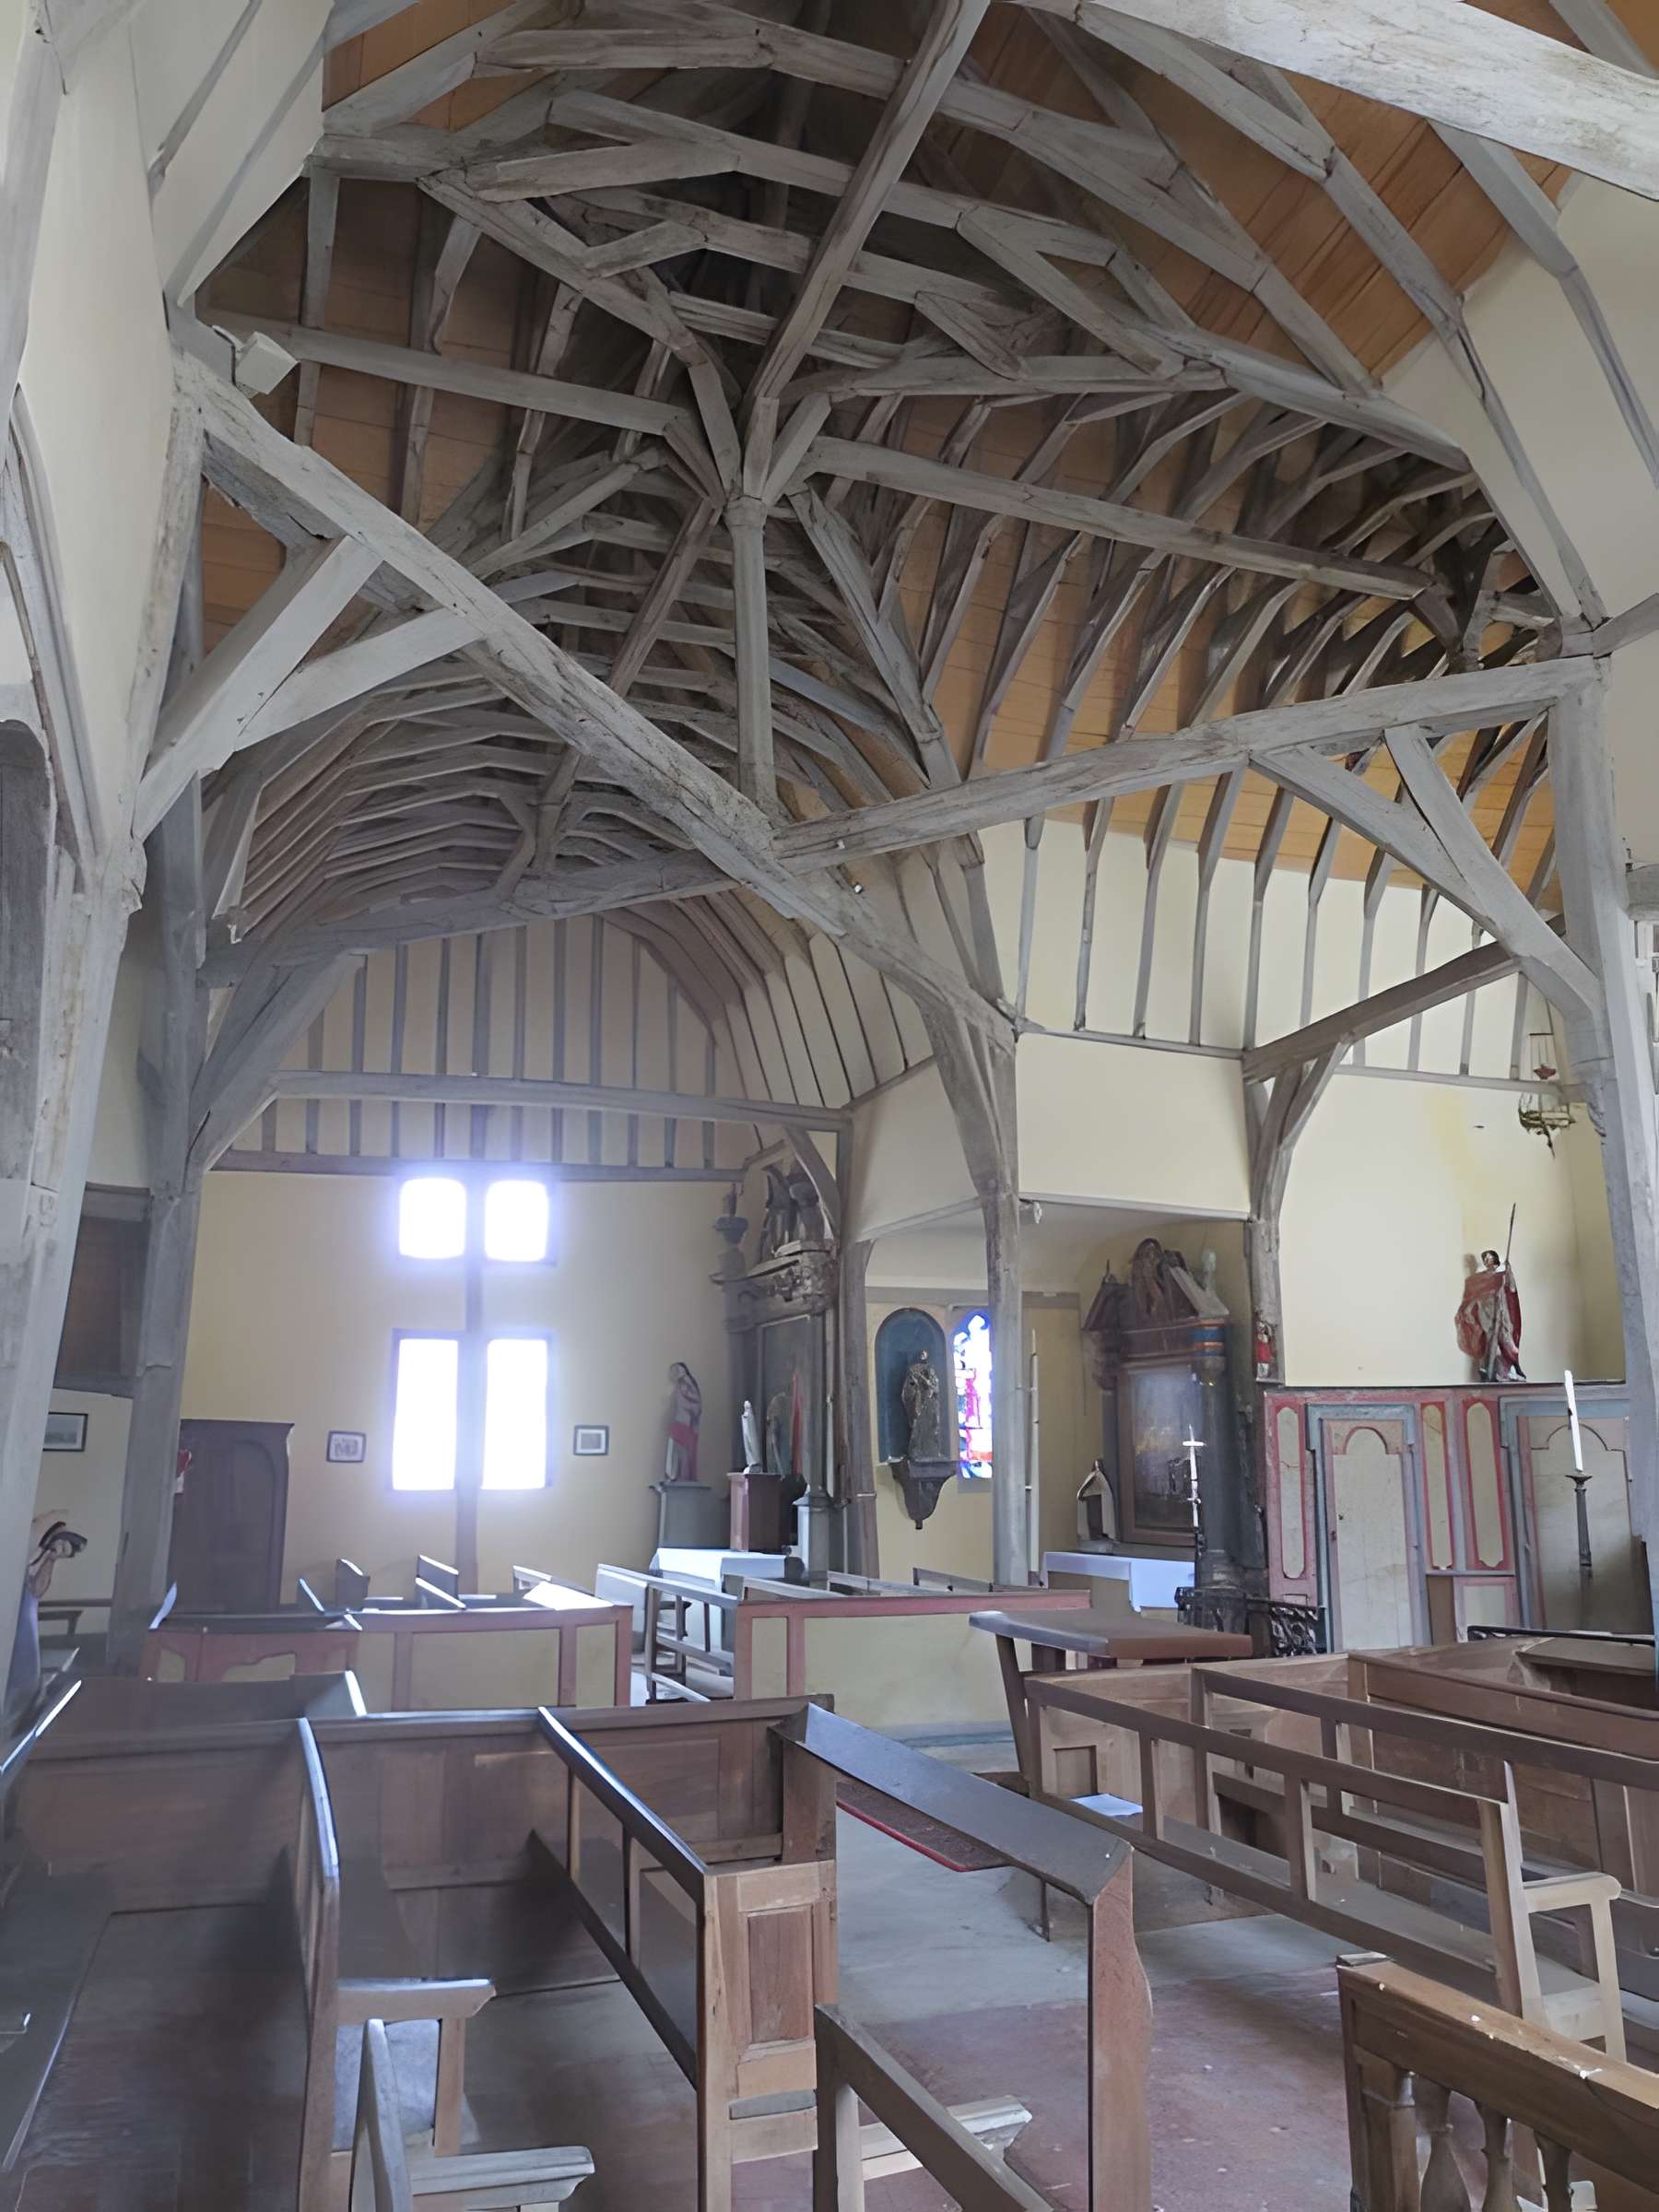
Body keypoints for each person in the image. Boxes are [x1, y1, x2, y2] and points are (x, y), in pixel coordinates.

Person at [1455, 1248, 1524, 1381]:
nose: (1488, 1260)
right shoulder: (1477, 1280)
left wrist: (1509, 1272)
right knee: (1490, 1343)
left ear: (1496, 1260)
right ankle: (1489, 1370)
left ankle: (1513, 1366)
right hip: (1487, 1315)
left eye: (1490, 1258)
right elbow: (1474, 1298)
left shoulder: (1502, 1276)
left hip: (1503, 1315)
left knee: (1507, 1341)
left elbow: (1511, 1289)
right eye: (1485, 1259)